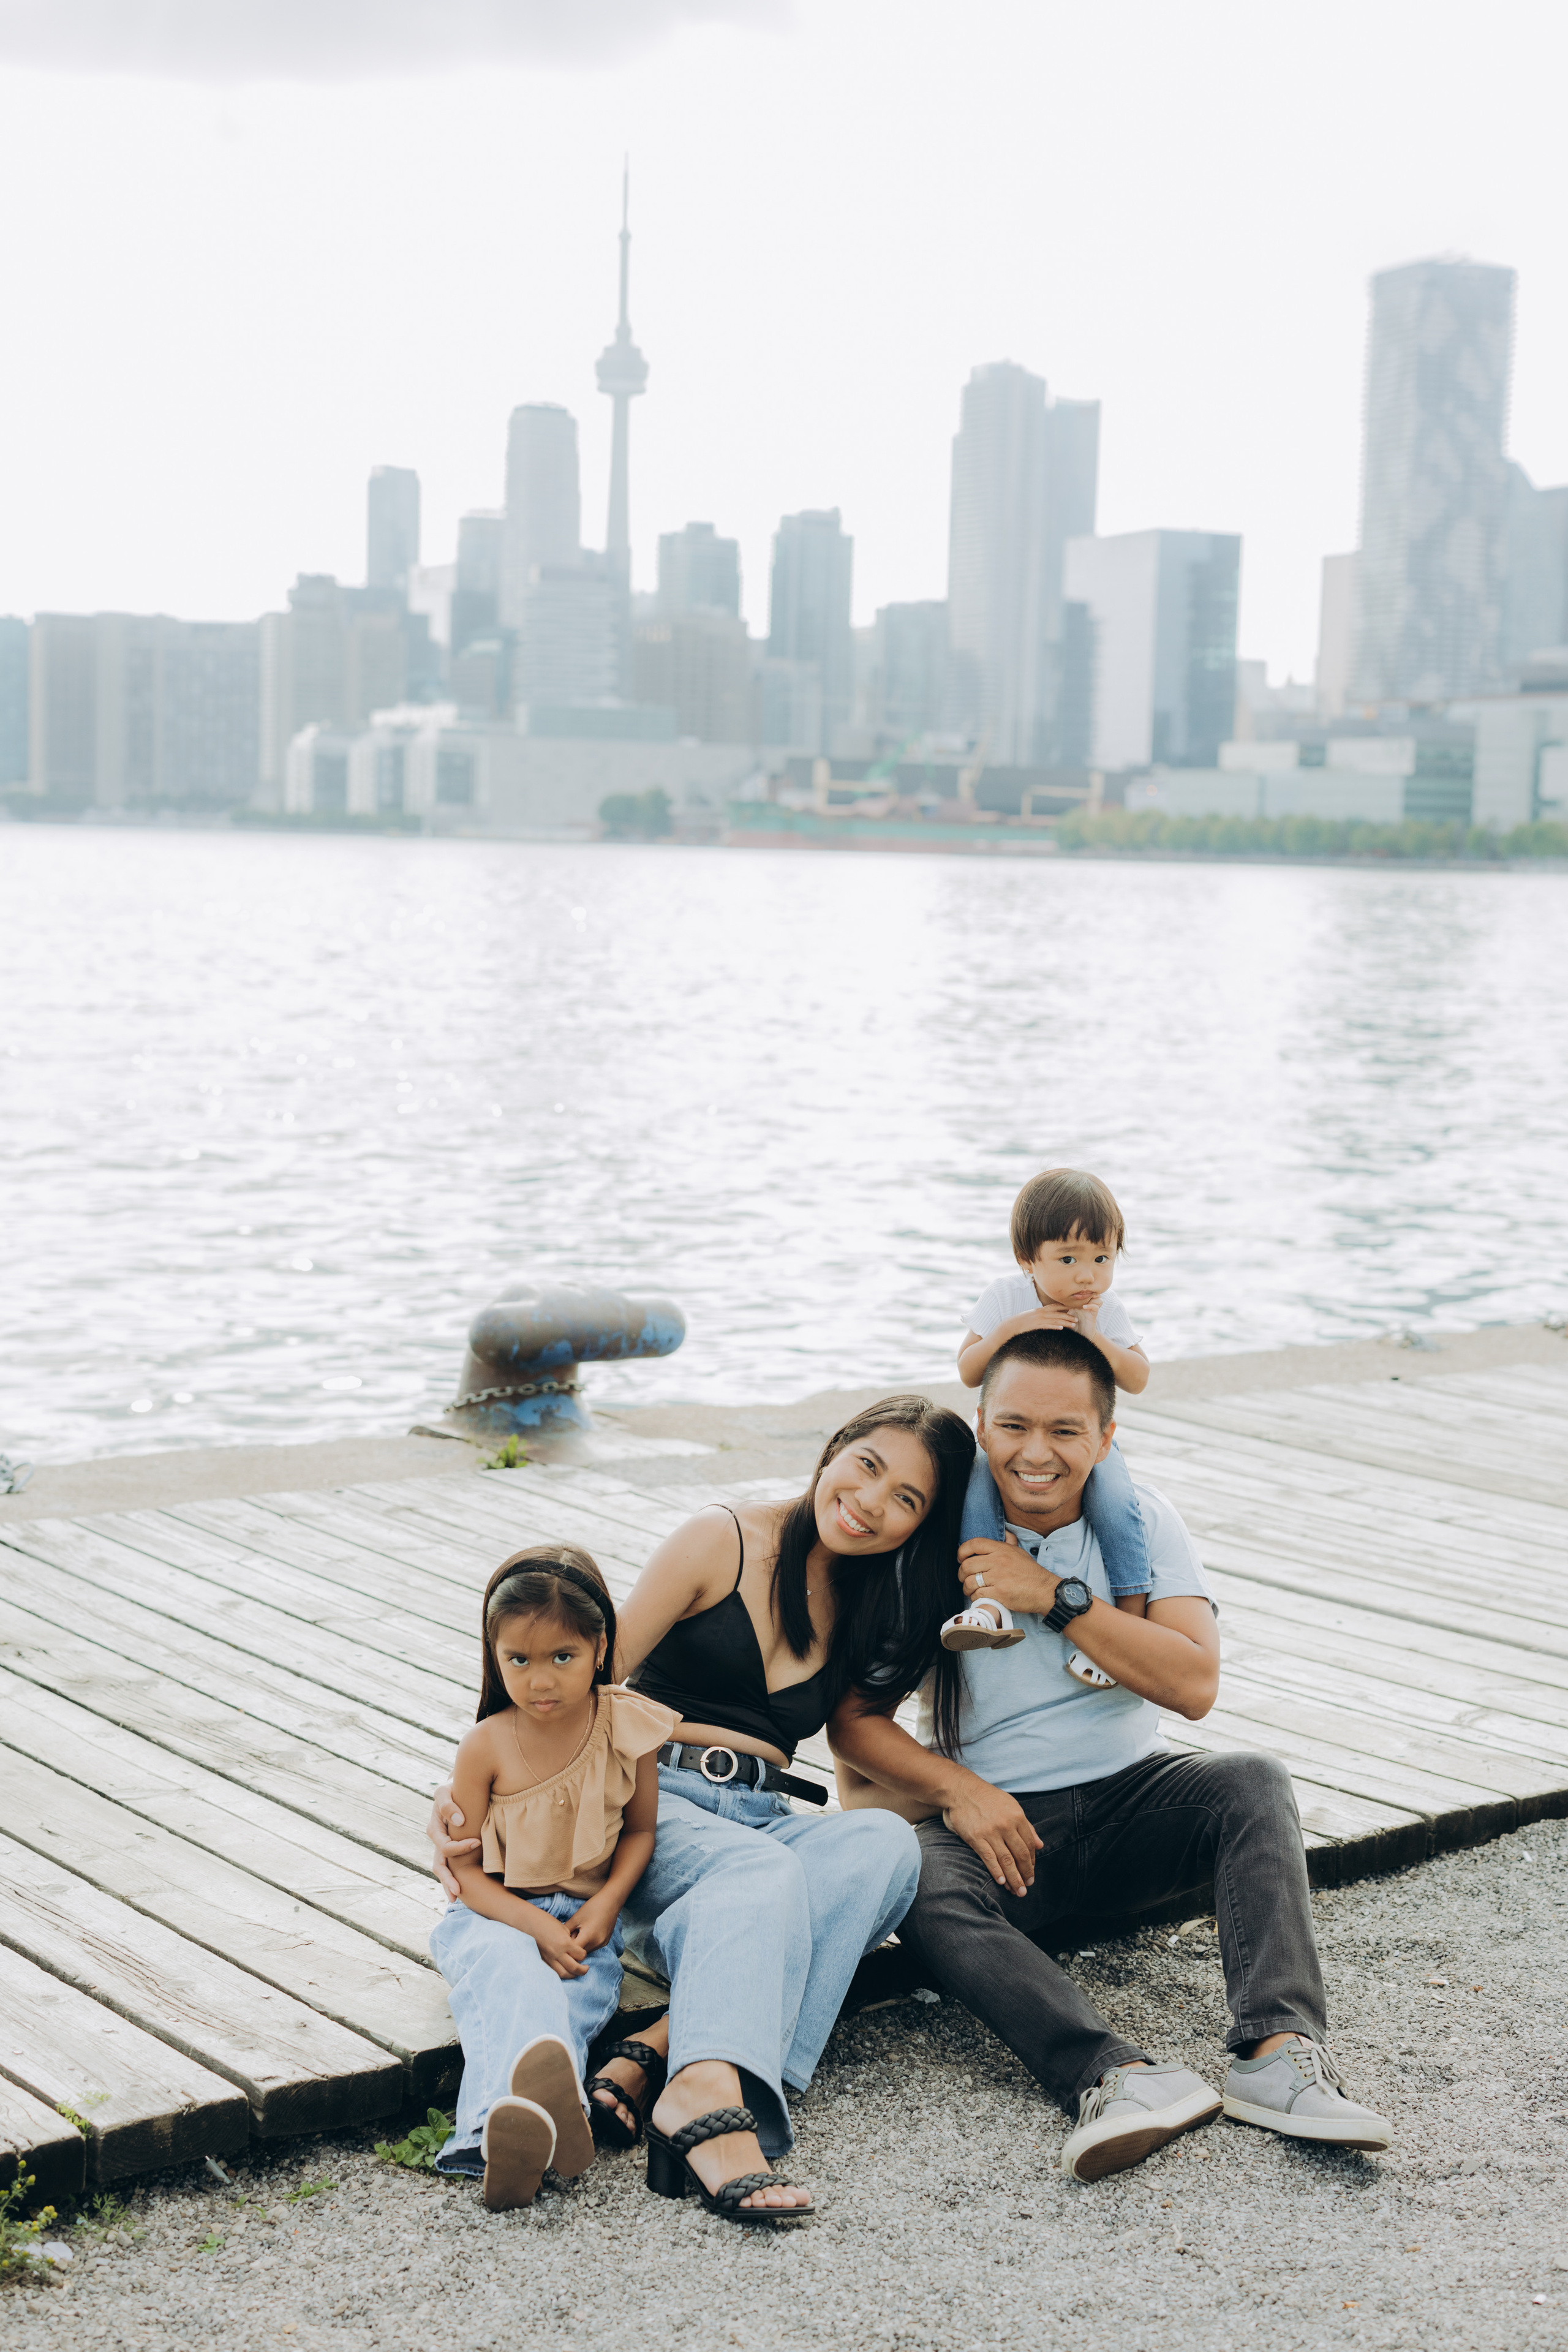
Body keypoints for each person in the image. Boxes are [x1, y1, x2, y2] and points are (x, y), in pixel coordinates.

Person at [833, 1327, 1392, 2182]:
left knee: (1253, 1783)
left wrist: (1052, 1597)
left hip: (1137, 1803)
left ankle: (1276, 2057)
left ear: (1105, 1438)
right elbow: (854, 1721)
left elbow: (1195, 1683)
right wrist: (960, 1793)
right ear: (982, 1427)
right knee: (917, 1872)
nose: (1037, 1453)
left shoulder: (1139, 1522)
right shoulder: (936, 1539)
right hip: (1005, 1835)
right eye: (1015, 1426)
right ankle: (1116, 2078)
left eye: (1065, 1431)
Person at [428, 1395, 975, 2228]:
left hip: (762, 1816)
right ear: (834, 1451)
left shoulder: (876, 1599)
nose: (872, 1503)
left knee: (887, 1849)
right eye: (868, 1466)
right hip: (654, 1803)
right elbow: (586, 1686)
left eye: (907, 1499)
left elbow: (856, 1733)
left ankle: (664, 2046)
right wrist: (476, 1796)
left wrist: (960, 1788)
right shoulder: (719, 1539)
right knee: (765, 1871)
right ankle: (709, 2097)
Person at [429, 1544, 676, 2209]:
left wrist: (606, 1908)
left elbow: (641, 1831)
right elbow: (465, 1877)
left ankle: (529, 2132)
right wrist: (534, 1923)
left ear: (600, 1647)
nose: (540, 1681)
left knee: (566, 2004)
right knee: (513, 1977)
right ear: (495, 1655)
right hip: (494, 1915)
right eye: (519, 1660)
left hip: (581, 1926)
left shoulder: (630, 1726)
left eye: (561, 1658)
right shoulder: (485, 1745)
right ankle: (490, 2136)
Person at [944, 1168, 1153, 1658]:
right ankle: (988, 1602)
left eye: (1102, 1257)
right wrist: (1010, 1331)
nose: (1088, 1274)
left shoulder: (1105, 1308)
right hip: (1007, 1435)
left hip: (1081, 1439)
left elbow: (1138, 1377)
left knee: (1120, 1506)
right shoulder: (1006, 1297)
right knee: (977, 1497)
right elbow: (969, 1371)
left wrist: (1096, 1337)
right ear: (1027, 1261)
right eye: (1068, 1258)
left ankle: (1129, 1622)